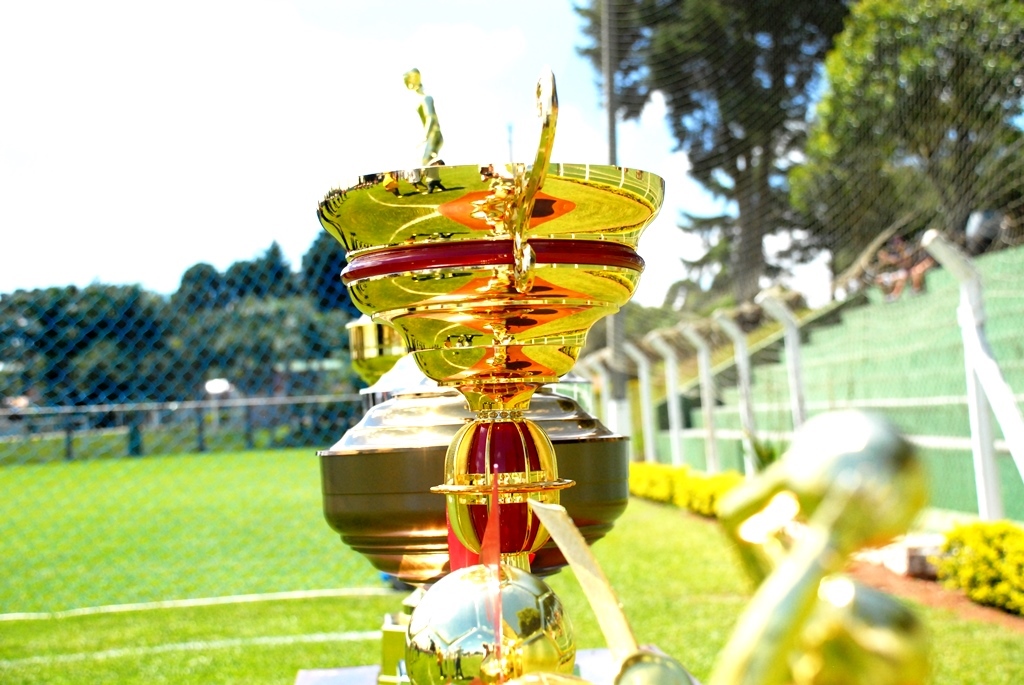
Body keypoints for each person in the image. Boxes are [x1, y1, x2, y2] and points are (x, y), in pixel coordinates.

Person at [403, 68, 444, 166]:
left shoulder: (425, 98)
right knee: (426, 162)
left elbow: (431, 117)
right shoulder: (419, 100)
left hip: (433, 135)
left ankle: (435, 177)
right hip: (433, 136)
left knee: (424, 161)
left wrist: (425, 136)